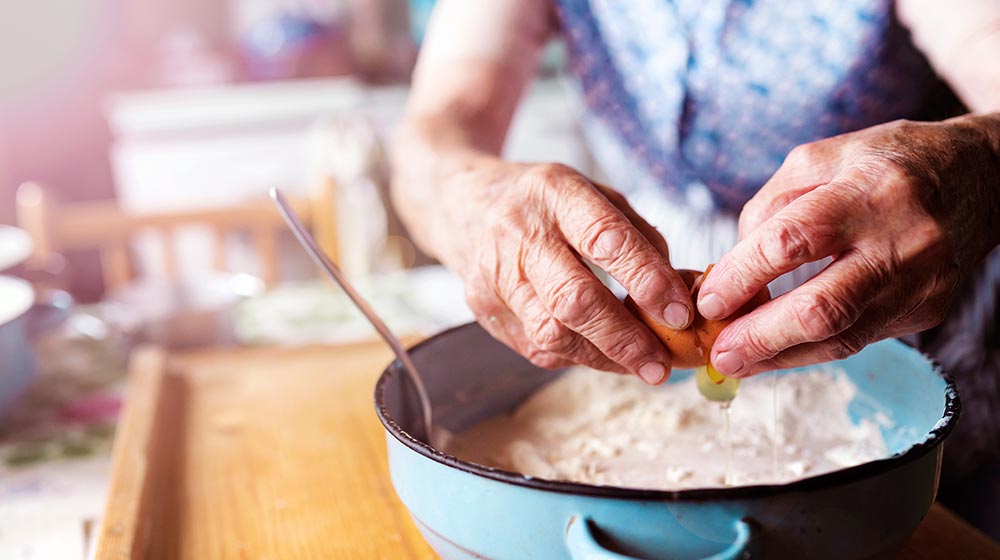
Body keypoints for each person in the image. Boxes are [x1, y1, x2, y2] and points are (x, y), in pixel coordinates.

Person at [390, 0, 1000, 534]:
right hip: (634, 302)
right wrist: (469, 194)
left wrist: (982, 159)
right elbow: (437, 127)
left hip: (906, 301)